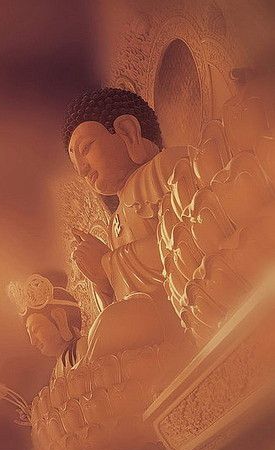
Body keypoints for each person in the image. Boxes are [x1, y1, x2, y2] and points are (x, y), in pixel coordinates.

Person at [63, 88, 191, 357]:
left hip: (186, 307)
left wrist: (108, 264)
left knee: (112, 327)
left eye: (86, 148)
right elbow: (123, 299)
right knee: (99, 337)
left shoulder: (166, 168)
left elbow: (188, 239)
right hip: (148, 324)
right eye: (76, 166)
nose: (83, 170)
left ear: (128, 132)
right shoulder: (114, 224)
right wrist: (103, 283)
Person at [8, 272, 87, 379]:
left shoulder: (82, 349)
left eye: (36, 330)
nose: (33, 342)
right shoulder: (57, 370)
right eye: (29, 334)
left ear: (59, 318)